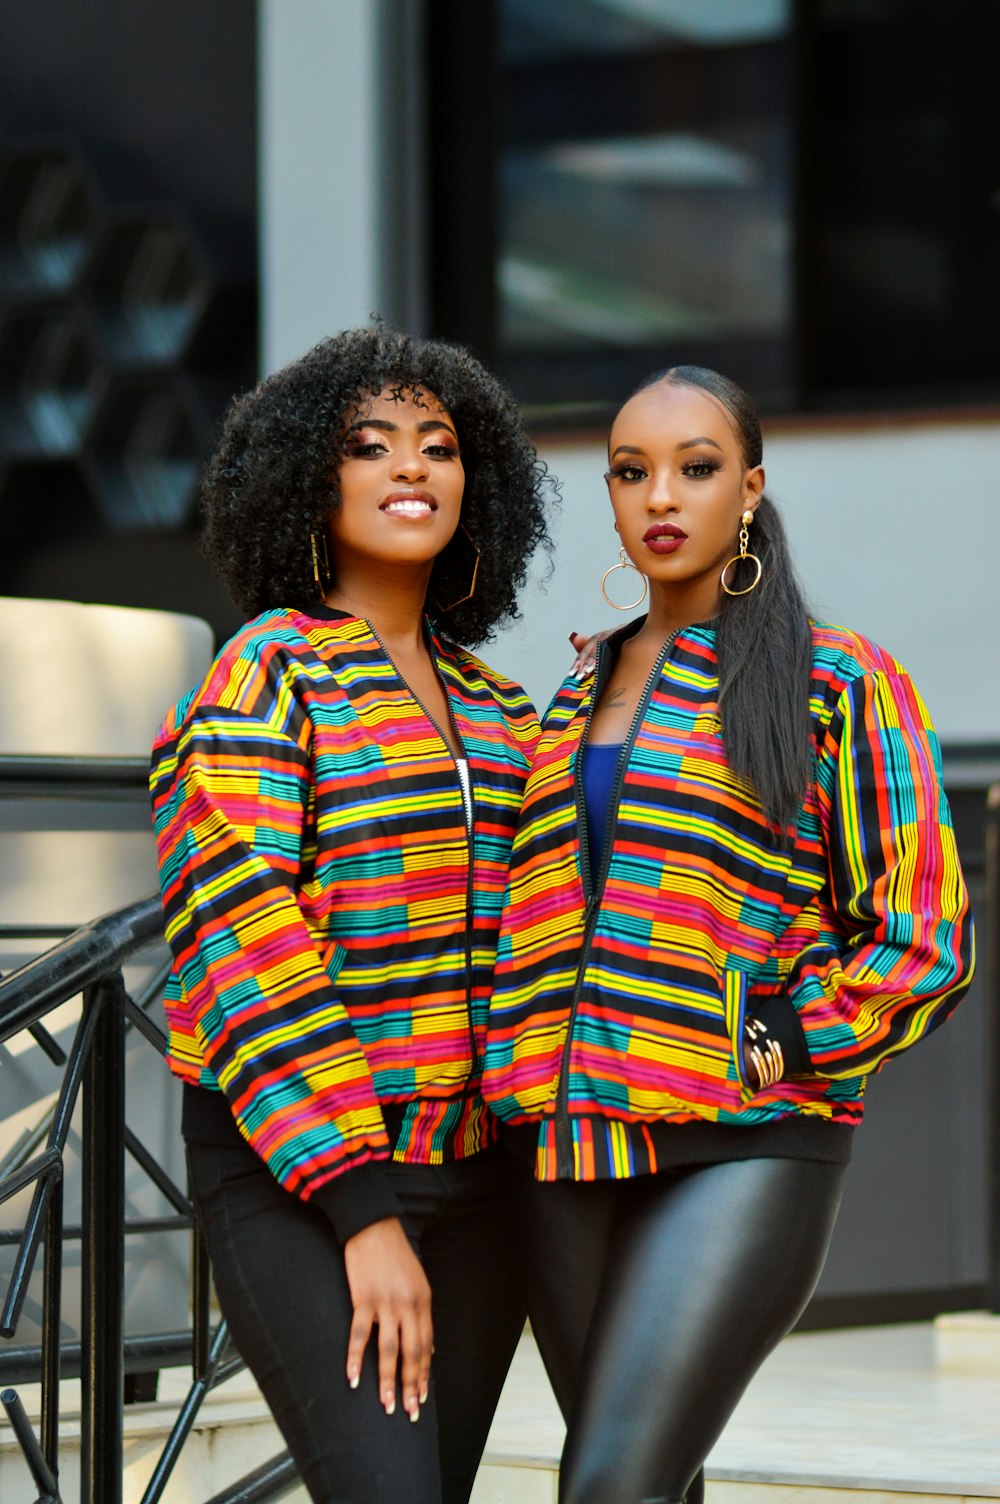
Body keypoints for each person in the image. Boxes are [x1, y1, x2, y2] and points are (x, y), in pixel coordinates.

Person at [482, 364, 974, 1504]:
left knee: (607, 1484)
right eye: (630, 470)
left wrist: (789, 1038)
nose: (662, 494)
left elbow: (925, 929)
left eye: (695, 468)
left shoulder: (837, 678)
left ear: (746, 489)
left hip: (744, 1136)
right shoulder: (575, 690)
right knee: (655, 1479)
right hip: (564, 1148)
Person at [149, 324, 554, 1504]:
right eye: (370, 447)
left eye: (438, 445)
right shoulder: (268, 674)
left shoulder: (503, 707)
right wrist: (361, 1212)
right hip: (302, 1178)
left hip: (482, 1180)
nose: (411, 468)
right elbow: (241, 943)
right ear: (307, 484)